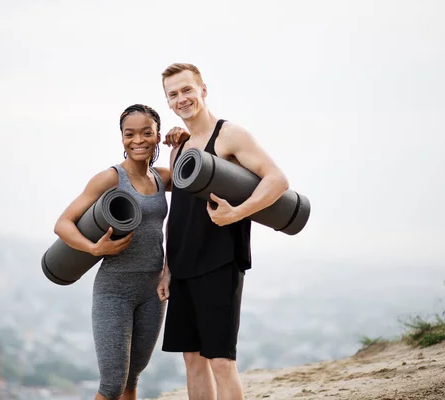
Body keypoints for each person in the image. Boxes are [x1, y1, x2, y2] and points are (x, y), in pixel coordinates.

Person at [157, 63, 290, 400]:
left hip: (220, 260)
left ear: (203, 89)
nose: (182, 98)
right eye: (173, 94)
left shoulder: (230, 135)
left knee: (220, 361)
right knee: (192, 359)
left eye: (187, 89)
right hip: (183, 265)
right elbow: (178, 213)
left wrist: (237, 213)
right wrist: (168, 269)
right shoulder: (179, 147)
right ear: (168, 103)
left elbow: (277, 179)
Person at [54, 104, 185, 400]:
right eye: (130, 134)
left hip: (153, 290)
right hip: (114, 290)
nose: (138, 140)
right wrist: (93, 247)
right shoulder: (111, 178)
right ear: (122, 139)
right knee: (112, 383)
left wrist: (181, 140)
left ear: (156, 136)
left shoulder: (160, 178)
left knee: (131, 379)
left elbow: (192, 175)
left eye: (146, 133)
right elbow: (63, 224)